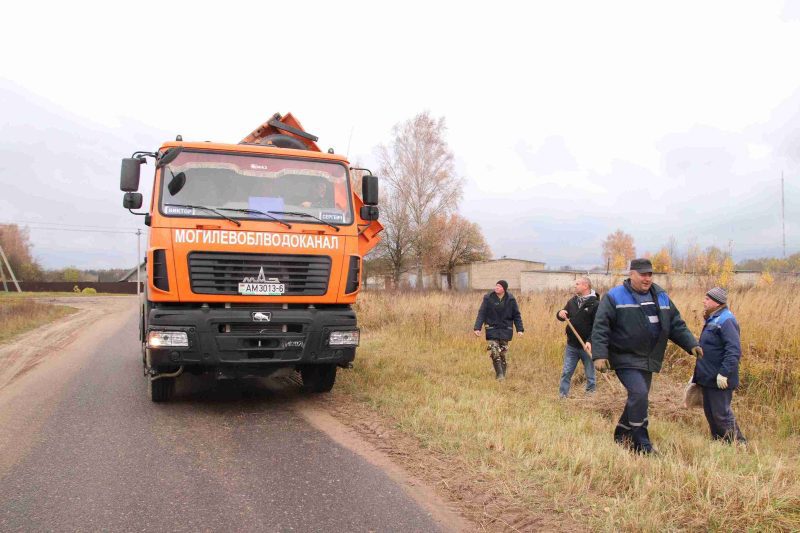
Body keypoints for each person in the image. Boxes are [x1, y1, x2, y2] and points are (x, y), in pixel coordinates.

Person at [591, 258, 702, 454]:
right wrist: (599, 354)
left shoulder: (661, 296)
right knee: (639, 394)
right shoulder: (614, 296)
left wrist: (691, 343)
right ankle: (641, 443)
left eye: (650, 274)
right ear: (631, 274)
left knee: (639, 397)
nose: (647, 278)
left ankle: (621, 433)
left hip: (649, 357)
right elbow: (601, 326)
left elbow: (675, 324)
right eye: (643, 274)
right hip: (624, 356)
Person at [693, 287, 746, 444]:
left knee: (722, 415)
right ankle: (720, 444)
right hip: (709, 377)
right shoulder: (713, 318)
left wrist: (724, 373)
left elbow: (734, 350)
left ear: (717, 302)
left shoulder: (726, 320)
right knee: (711, 414)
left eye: (707, 299)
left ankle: (738, 445)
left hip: (720, 378)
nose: (704, 301)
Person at [556, 277, 598, 397]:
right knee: (566, 372)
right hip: (572, 345)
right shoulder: (572, 301)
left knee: (590, 375)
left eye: (577, 284)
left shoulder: (595, 304)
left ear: (586, 286)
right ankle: (562, 396)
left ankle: (590, 396)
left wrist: (590, 341)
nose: (575, 286)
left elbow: (597, 326)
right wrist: (560, 313)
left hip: (587, 346)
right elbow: (563, 315)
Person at [473, 280, 524, 381]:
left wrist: (520, 329)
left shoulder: (511, 299)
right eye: (496, 285)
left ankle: (502, 375)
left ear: (504, 289)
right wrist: (477, 327)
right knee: (494, 350)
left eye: (499, 286)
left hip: (506, 329)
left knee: (502, 352)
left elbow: (516, 315)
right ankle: (500, 374)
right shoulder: (488, 298)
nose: (496, 287)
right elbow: (482, 313)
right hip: (492, 328)